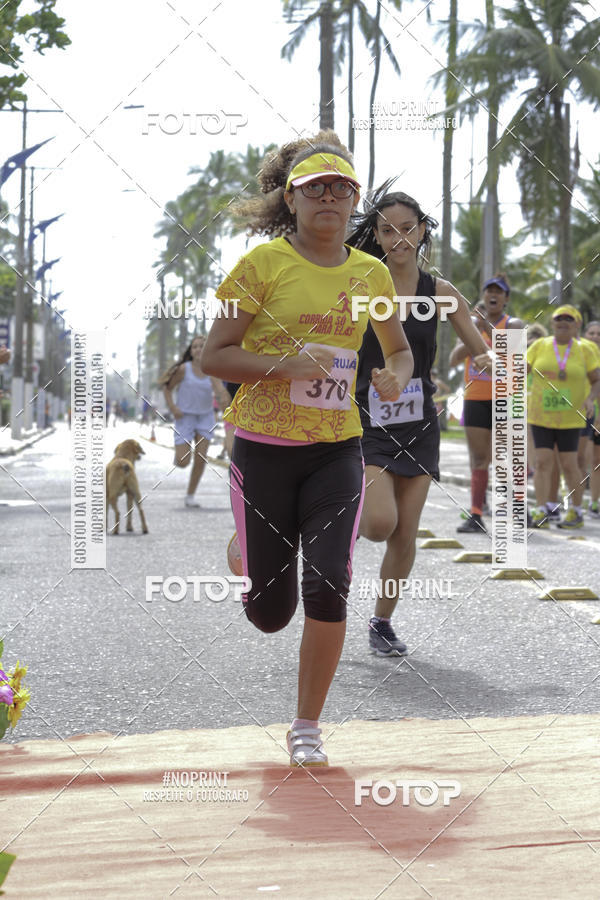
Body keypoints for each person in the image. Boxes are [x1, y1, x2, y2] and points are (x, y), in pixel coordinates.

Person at [201, 133, 413, 766]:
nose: (329, 197)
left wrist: (396, 373)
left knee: (329, 581)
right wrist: (287, 365)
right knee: (270, 612)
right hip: (263, 449)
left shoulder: (370, 272)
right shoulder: (260, 267)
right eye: (314, 188)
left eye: (342, 189)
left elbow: (396, 348)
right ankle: (247, 541)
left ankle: (306, 726)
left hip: (336, 446)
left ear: (355, 206)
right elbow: (216, 356)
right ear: (290, 201)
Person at [346, 183, 494, 656]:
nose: (398, 239)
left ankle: (380, 623)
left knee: (404, 534)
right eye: (387, 230)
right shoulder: (362, 282)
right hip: (367, 418)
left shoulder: (441, 292)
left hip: (420, 422)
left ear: (423, 230)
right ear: (377, 235)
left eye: (407, 229)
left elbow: (477, 348)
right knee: (377, 525)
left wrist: (499, 359)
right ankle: (335, 511)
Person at [449, 274, 524, 533]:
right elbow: (453, 359)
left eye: (499, 292)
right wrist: (475, 334)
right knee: (479, 458)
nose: (493, 295)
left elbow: (517, 359)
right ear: (483, 296)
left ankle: (518, 508)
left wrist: (485, 330)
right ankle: (476, 514)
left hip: (504, 396)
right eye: (489, 291)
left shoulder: (513, 324)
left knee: (506, 456)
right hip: (476, 398)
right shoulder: (472, 325)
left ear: (506, 299)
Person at [527, 306, 600, 528]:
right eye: (559, 319)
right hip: (541, 415)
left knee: (570, 464)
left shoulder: (585, 349)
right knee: (542, 462)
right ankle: (541, 510)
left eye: (569, 319)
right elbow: (521, 370)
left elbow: (596, 379)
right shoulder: (540, 346)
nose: (564, 322)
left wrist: (590, 399)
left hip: (571, 417)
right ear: (552, 323)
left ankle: (576, 511)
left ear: (577, 324)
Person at [161, 336, 230, 507]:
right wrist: (173, 408)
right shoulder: (184, 369)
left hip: (205, 417)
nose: (198, 349)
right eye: (195, 347)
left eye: (202, 346)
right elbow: (167, 388)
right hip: (185, 417)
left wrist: (224, 401)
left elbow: (221, 391)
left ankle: (190, 496)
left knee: (201, 459)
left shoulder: (212, 371)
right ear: (191, 352)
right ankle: (180, 455)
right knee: (184, 462)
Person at [581, 320, 600, 517]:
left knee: (597, 461)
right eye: (591, 333)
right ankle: (573, 503)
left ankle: (594, 503)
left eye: (598, 334)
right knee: (580, 461)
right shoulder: (579, 355)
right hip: (582, 415)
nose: (595, 337)